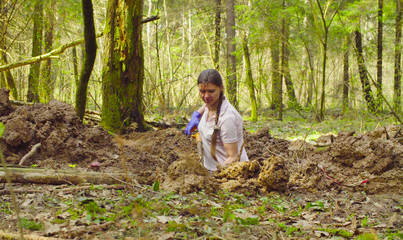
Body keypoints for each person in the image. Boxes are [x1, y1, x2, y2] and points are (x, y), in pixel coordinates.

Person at [184, 69, 249, 171]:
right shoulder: (212, 104)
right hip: (210, 170)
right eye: (202, 91)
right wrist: (197, 114)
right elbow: (207, 103)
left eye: (211, 91)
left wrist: (215, 176)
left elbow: (233, 158)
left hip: (229, 175)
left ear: (221, 88)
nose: (206, 96)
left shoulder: (227, 118)